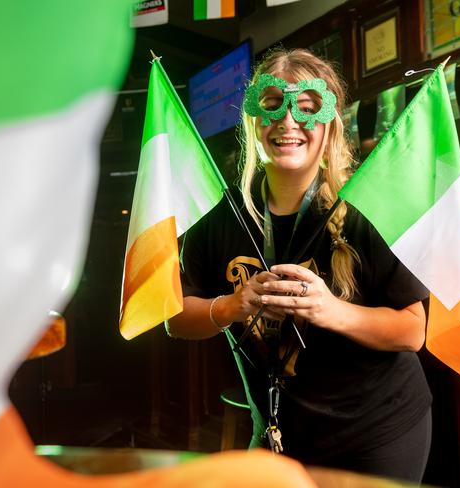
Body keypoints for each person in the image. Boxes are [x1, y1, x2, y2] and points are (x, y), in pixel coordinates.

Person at [167, 47, 433, 483]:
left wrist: (330, 310)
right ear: (253, 121)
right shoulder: (221, 213)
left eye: (307, 109)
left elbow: (413, 330)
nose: (288, 122)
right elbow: (175, 317)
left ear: (328, 126)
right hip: (279, 433)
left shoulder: (367, 210)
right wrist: (233, 306)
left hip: (376, 432)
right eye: (271, 106)